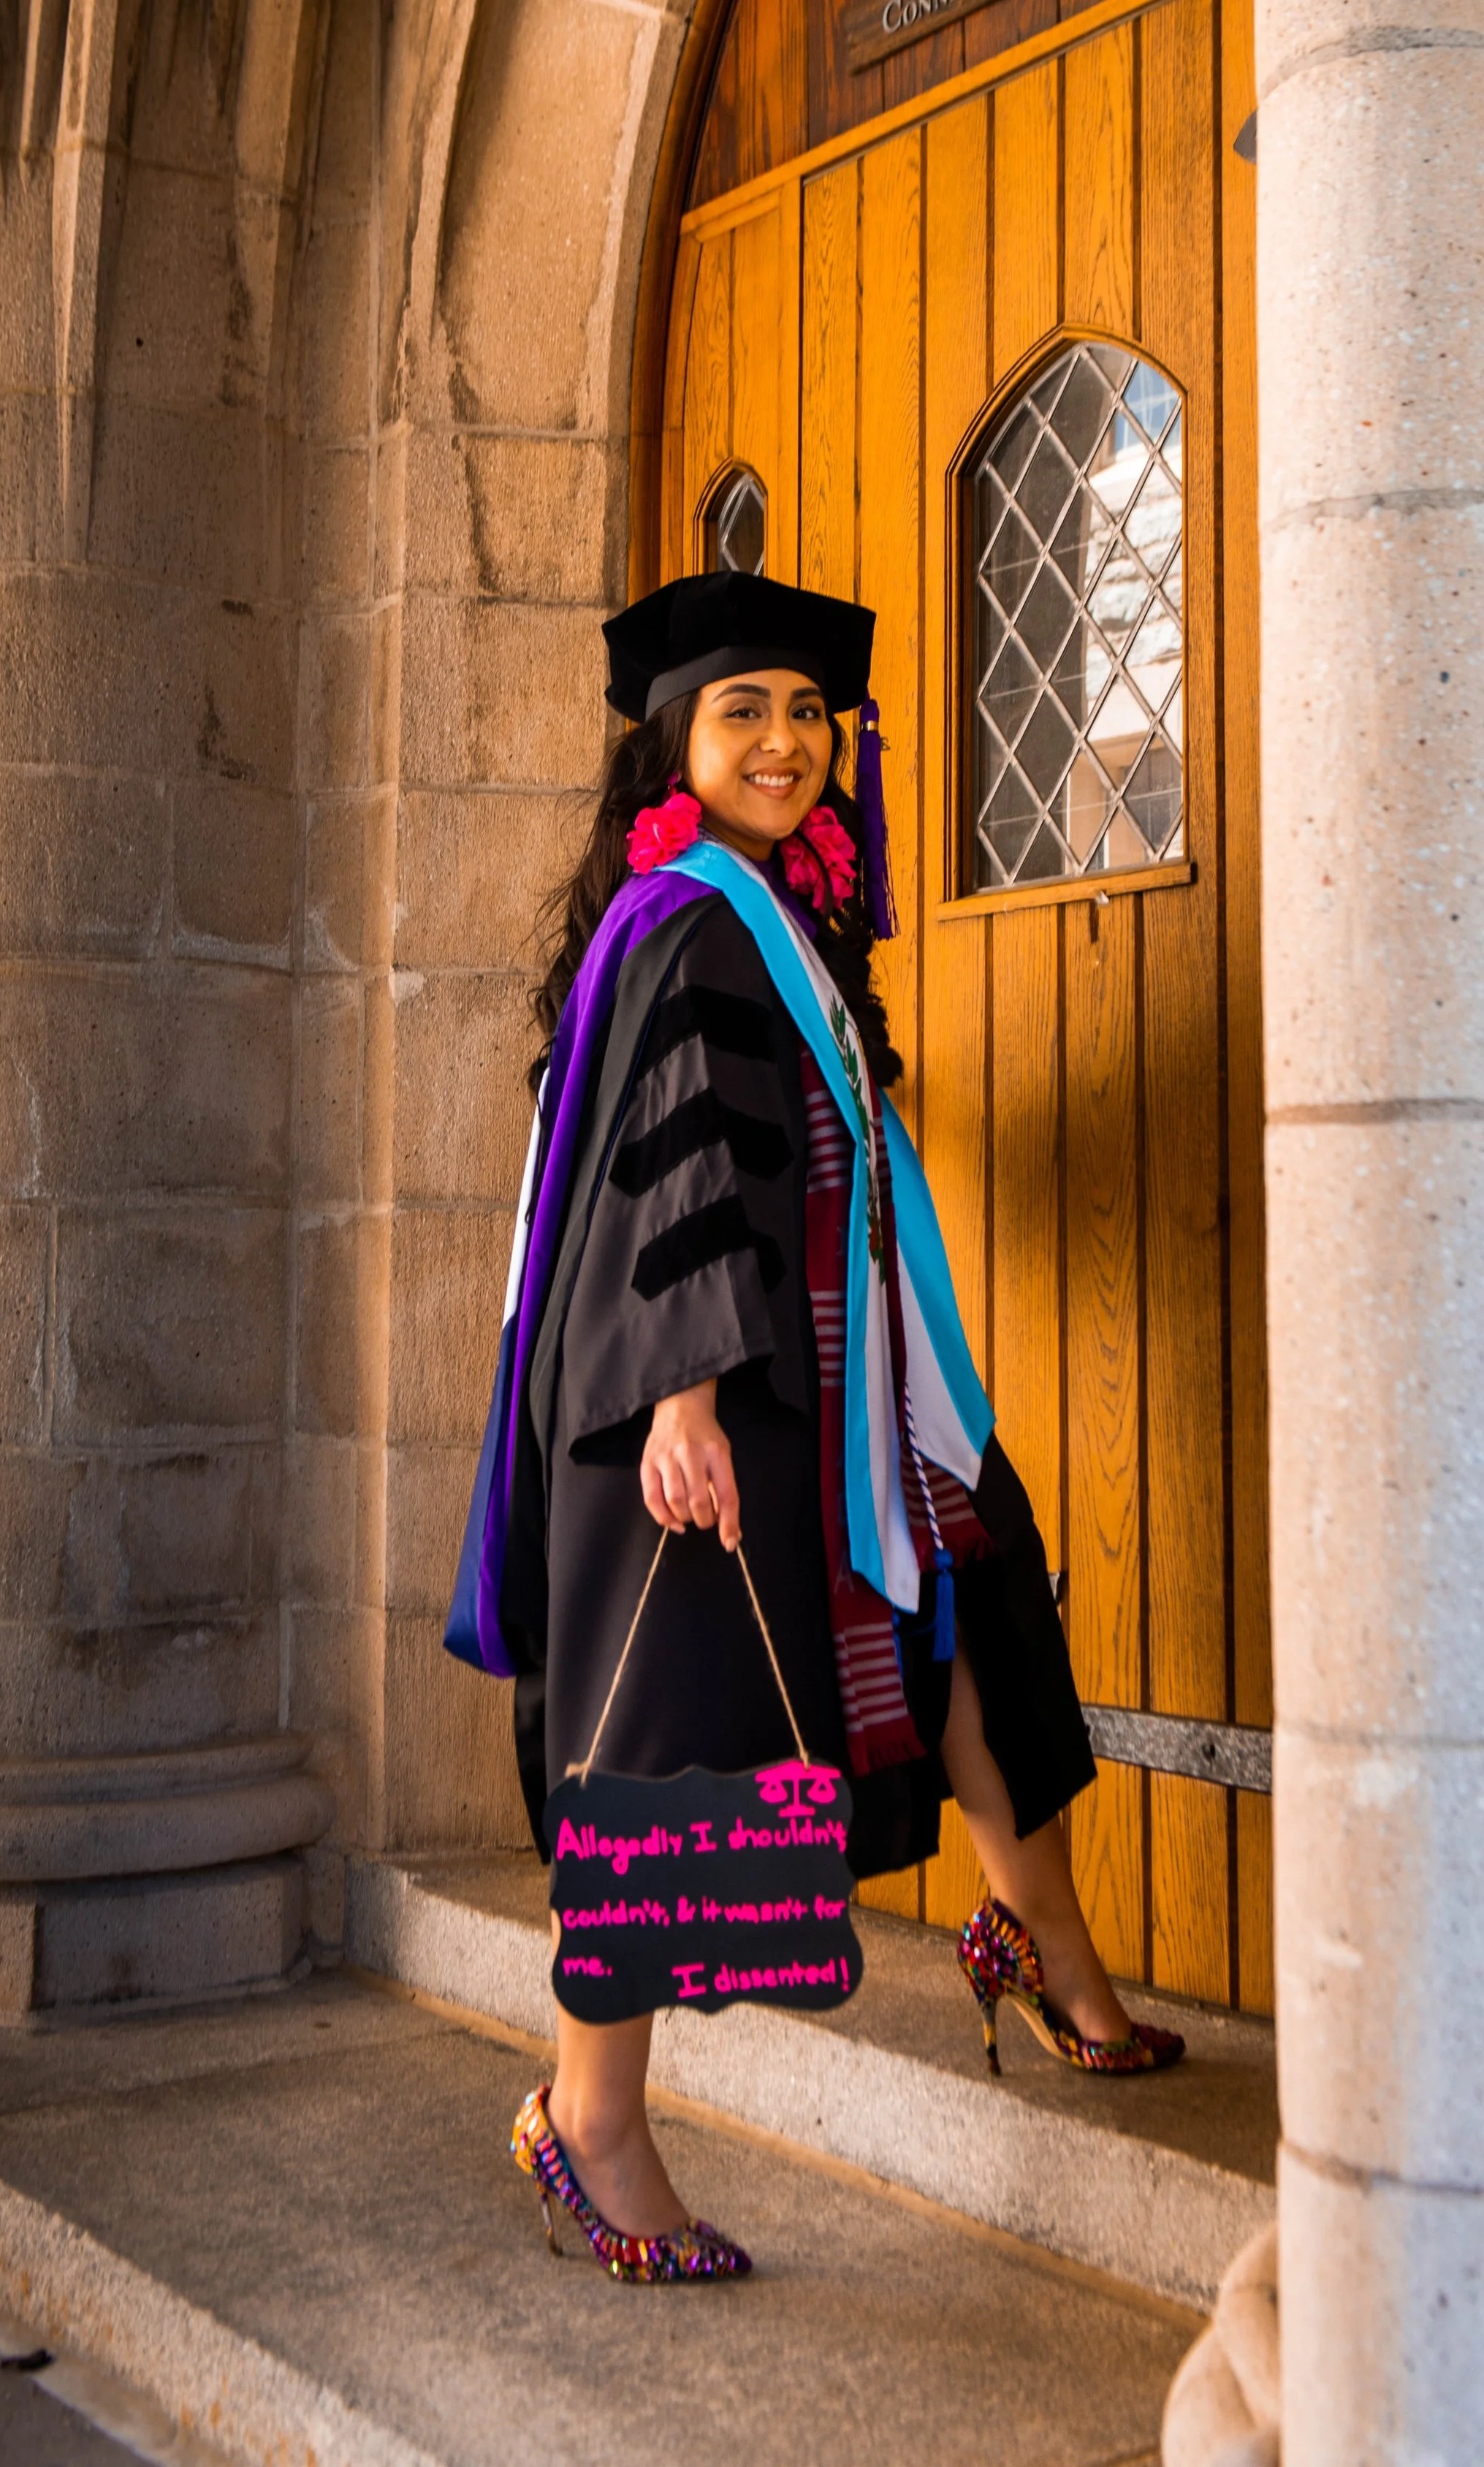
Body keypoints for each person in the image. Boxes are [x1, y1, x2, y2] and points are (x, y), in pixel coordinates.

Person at [445, 571, 1183, 2285]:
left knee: (972, 1631)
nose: (782, 741)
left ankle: (1045, 1944)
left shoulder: (770, 917)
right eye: (739, 713)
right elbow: (676, 1166)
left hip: (838, 1384)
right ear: (672, 747)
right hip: (700, 1413)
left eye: (802, 714)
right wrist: (688, 1393)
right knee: (664, 1752)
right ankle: (587, 2115)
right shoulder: (694, 923)